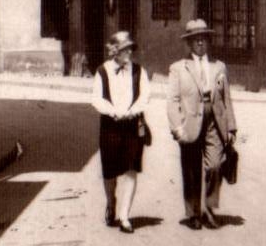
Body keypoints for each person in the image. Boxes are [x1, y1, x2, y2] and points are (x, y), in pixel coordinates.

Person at [166, 18, 236, 230]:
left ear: (208, 41)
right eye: (195, 39)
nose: (200, 43)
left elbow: (226, 98)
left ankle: (209, 209)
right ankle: (194, 213)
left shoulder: (219, 66)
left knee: (215, 165)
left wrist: (231, 127)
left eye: (203, 39)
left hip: (214, 121)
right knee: (191, 169)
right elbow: (173, 101)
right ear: (189, 43)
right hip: (189, 123)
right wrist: (177, 127)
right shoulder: (178, 68)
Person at [91, 30, 151, 234]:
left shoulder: (139, 71)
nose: (129, 53)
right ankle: (111, 202)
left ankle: (125, 216)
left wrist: (132, 111)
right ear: (114, 51)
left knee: (132, 168)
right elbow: (97, 98)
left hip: (133, 126)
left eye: (130, 49)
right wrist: (113, 111)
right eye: (125, 49)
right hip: (110, 126)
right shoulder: (102, 71)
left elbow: (144, 96)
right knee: (109, 171)